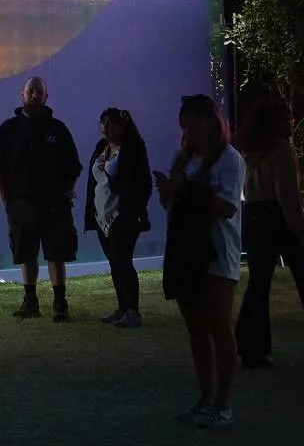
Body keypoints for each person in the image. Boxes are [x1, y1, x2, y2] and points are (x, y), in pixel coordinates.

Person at [157, 93, 245, 427]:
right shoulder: (185, 158)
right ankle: (205, 399)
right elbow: (175, 206)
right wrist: (171, 192)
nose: (189, 133)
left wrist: (185, 190)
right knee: (196, 327)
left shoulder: (229, 159)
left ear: (211, 124)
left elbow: (227, 207)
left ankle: (222, 403)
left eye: (194, 126)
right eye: (185, 127)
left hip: (218, 251)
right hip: (187, 251)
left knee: (218, 325)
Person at [0, 76, 81, 322]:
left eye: (39, 92)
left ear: (46, 96)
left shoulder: (58, 129)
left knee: (56, 252)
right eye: (31, 91)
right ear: (22, 94)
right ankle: (30, 301)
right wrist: (4, 200)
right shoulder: (9, 129)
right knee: (26, 252)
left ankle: (60, 303)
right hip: (21, 203)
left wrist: (68, 193)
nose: (34, 95)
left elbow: (73, 166)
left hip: (54, 204)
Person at [233, 95, 304, 370]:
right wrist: (299, 229)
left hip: (255, 219)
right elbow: (288, 197)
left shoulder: (251, 154)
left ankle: (252, 348)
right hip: (278, 217)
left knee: (258, 284)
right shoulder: (283, 151)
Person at [83, 107, 152, 327]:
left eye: (111, 123)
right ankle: (122, 307)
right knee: (114, 262)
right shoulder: (100, 148)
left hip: (124, 214)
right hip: (102, 215)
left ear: (123, 127)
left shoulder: (132, 151)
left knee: (123, 260)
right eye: (103, 122)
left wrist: (115, 176)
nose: (106, 127)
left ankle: (133, 311)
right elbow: (94, 181)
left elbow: (141, 184)